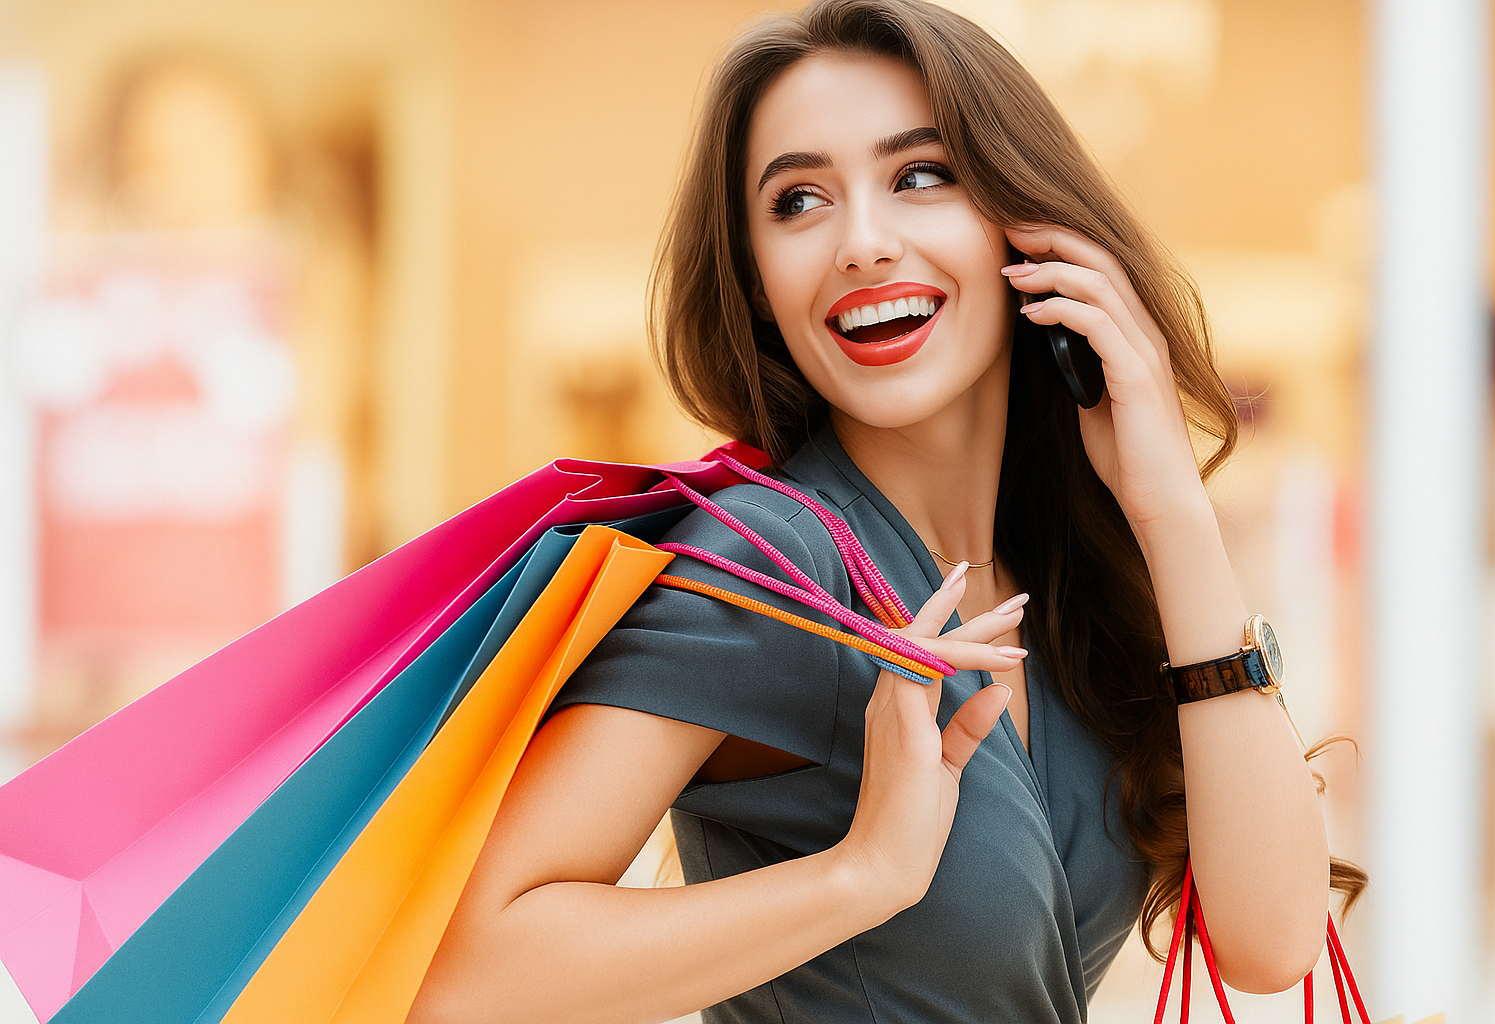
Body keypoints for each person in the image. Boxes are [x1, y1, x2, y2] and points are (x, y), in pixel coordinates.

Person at [409, 2, 1362, 1021]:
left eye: (919, 176)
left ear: (1026, 227)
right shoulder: (771, 562)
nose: (863, 242)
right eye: (799, 200)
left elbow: (1272, 940)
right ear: (759, 279)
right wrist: (859, 876)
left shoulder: (1061, 574)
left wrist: (1169, 502)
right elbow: (462, 974)